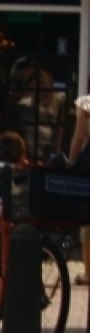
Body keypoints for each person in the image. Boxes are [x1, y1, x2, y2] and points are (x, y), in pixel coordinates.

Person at [70, 92, 90, 284]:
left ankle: (88, 272)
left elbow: (79, 136)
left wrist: (71, 162)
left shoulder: (87, 105)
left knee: (88, 221)